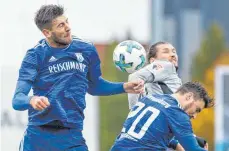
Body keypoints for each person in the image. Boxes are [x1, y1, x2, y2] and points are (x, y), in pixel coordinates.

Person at [12, 4, 144, 151]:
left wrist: (124, 86)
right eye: (61, 25)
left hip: (72, 136)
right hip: (38, 137)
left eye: (67, 22)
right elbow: (17, 100)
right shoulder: (35, 55)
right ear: (47, 33)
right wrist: (32, 100)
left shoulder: (86, 49)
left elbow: (94, 86)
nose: (68, 27)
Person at [128, 41, 208, 150]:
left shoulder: (174, 82)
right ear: (153, 61)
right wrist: (134, 110)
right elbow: (134, 77)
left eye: (174, 52)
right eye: (165, 52)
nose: (172, 54)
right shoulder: (167, 67)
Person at [110, 82, 214, 151]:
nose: (195, 116)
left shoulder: (149, 98)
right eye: (197, 110)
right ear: (189, 97)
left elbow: (150, 134)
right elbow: (193, 149)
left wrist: (175, 144)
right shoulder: (178, 114)